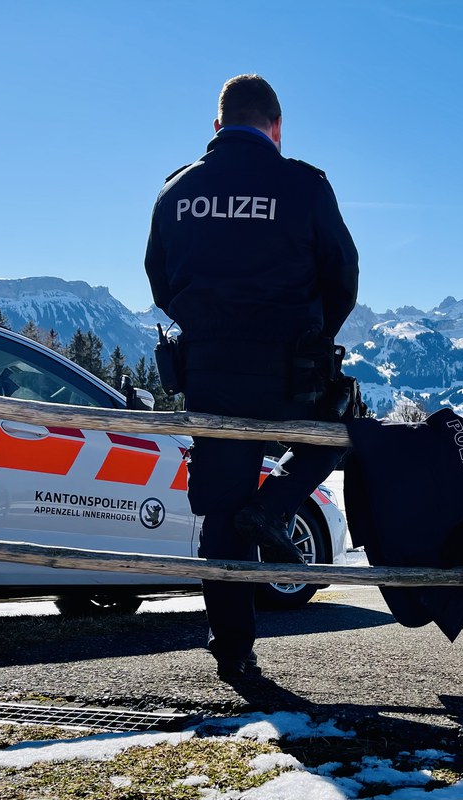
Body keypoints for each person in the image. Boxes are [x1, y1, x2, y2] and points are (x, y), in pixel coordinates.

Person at [144, 74, 359, 679]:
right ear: (277, 126)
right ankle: (277, 503)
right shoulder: (304, 185)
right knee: (340, 433)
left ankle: (233, 650)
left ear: (218, 125)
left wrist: (207, 326)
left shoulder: (177, 190)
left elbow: (160, 278)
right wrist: (311, 333)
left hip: (210, 375)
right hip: (291, 372)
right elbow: (343, 275)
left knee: (222, 511)